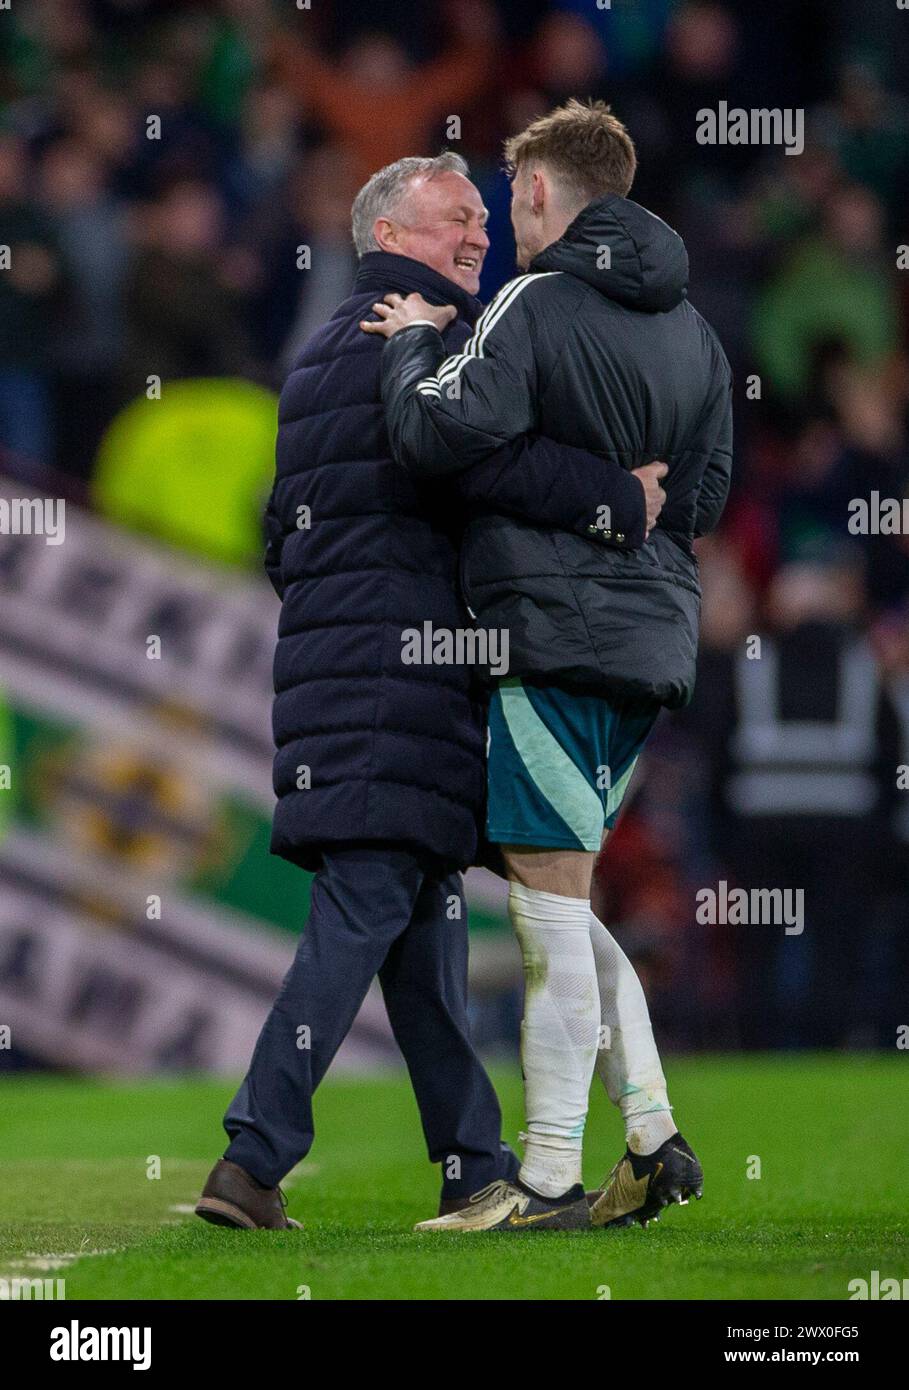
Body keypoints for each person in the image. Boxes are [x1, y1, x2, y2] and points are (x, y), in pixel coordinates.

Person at [195, 151, 665, 1231]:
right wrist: (617, 498)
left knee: (423, 934)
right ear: (390, 234)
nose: (479, 236)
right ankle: (253, 1156)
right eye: (457, 219)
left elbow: (282, 538)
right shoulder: (420, 342)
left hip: (353, 678)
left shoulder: (316, 356)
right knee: (364, 914)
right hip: (398, 687)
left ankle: (474, 1163)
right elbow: (495, 467)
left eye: (482, 223)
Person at [364, 100, 732, 1233]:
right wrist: (626, 490)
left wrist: (415, 341)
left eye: (509, 190)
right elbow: (704, 502)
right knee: (557, 894)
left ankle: (550, 1178)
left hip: (550, 633)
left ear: (536, 193)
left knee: (547, 913)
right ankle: (655, 1134)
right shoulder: (699, 332)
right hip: (657, 645)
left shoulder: (532, 302)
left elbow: (435, 433)